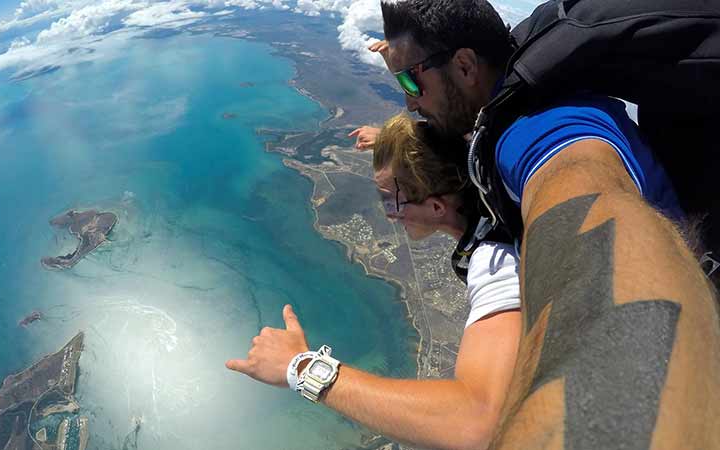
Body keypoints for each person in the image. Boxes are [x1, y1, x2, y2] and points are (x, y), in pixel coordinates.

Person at [379, 0, 720, 448]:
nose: (407, 100)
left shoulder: (539, 134)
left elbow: (596, 221)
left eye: (410, 80)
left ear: (464, 65)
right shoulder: (524, 88)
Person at [227, 113, 522, 450]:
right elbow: (454, 148)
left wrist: (302, 368)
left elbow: (478, 421)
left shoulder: (497, 261)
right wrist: (393, 144)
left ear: (438, 206)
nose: (389, 213)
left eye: (390, 199)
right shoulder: (490, 172)